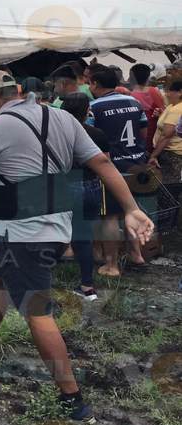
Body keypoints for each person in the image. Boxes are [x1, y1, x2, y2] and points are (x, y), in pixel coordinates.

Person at [0, 70, 154, 421]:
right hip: (56, 227)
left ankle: (72, 399)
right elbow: (102, 162)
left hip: (25, 233)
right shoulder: (62, 117)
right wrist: (131, 208)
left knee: (36, 310)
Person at [90, 64, 149, 275]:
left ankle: (111, 265)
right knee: (132, 211)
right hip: (137, 163)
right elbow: (143, 131)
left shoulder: (94, 107)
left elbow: (90, 138)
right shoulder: (134, 102)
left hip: (113, 168)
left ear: (95, 84)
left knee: (110, 217)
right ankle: (136, 255)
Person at [61, 93, 110, 300]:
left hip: (64, 186)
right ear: (87, 110)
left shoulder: (55, 134)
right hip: (91, 186)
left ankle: (38, 282)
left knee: (52, 232)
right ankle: (87, 286)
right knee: (84, 237)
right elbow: (106, 163)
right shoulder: (97, 134)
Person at [148, 78, 182, 220]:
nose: (167, 94)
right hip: (170, 152)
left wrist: (153, 155)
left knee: (169, 190)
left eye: (170, 91)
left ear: (180, 92)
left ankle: (170, 222)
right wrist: (161, 114)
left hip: (172, 153)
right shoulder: (172, 106)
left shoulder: (177, 109)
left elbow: (167, 135)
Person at [130, 63, 165, 149]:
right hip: (153, 134)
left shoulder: (129, 95)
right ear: (148, 77)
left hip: (136, 134)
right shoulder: (154, 91)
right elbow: (163, 112)